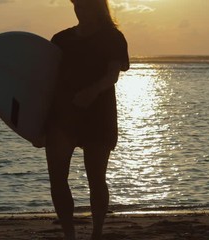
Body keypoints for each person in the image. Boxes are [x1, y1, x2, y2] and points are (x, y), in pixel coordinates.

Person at [46, 0, 129, 239]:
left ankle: (97, 233)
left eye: (83, 4)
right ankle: (69, 234)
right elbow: (44, 80)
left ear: (97, 6)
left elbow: (113, 74)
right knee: (58, 179)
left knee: (96, 178)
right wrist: (34, 123)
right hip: (62, 115)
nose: (78, 8)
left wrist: (92, 92)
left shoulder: (112, 37)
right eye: (76, 3)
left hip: (98, 115)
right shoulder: (61, 39)